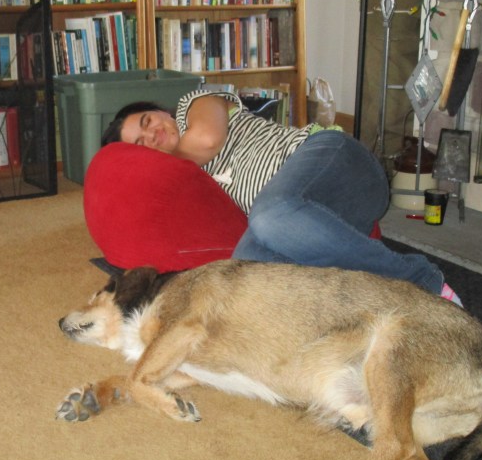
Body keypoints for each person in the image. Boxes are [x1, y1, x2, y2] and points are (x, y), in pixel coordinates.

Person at [101, 89, 462, 306]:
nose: (153, 134)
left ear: (160, 111)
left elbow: (207, 140)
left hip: (338, 162)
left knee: (269, 216)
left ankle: (422, 279)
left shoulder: (192, 103)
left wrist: (162, 162)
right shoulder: (184, 181)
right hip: (321, 220)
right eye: (141, 143)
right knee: (244, 275)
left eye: (147, 121)